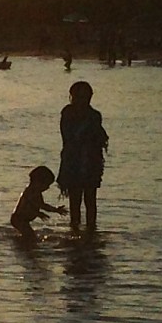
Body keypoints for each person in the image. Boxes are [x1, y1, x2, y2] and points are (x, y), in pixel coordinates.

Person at [58, 81, 108, 232]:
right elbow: (68, 137)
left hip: (91, 162)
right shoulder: (68, 113)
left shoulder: (94, 115)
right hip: (73, 161)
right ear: (72, 96)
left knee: (90, 199)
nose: (82, 100)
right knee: (75, 199)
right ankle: (76, 229)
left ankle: (91, 230)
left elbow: (99, 138)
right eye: (78, 96)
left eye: (85, 97)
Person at [8, 165, 65, 241]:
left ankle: (20, 241)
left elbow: (42, 205)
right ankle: (22, 243)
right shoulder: (30, 192)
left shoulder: (37, 192)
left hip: (22, 219)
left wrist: (55, 209)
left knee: (29, 235)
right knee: (30, 236)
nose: (47, 188)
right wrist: (38, 213)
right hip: (19, 219)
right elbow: (28, 207)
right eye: (46, 185)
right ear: (38, 182)